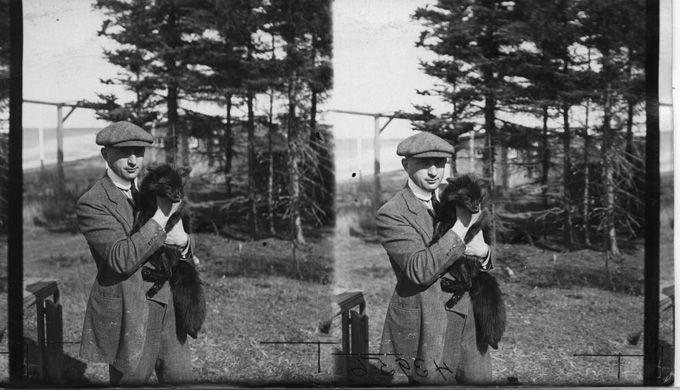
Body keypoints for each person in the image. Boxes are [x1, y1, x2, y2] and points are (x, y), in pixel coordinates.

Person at [76, 121, 196, 385]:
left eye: (139, 152)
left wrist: (185, 242)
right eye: (124, 152)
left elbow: (180, 234)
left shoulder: (151, 189)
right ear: (105, 155)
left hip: (170, 303)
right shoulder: (93, 202)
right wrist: (162, 217)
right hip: (131, 309)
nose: (133, 160)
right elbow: (121, 259)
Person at [376, 131, 496, 385]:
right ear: (406, 165)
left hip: (470, 311)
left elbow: (482, 245)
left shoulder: (449, 200)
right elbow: (419, 270)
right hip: (428, 317)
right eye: (424, 163)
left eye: (440, 164)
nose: (434, 171)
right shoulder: (392, 213)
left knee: (479, 380)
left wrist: (484, 253)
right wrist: (461, 228)